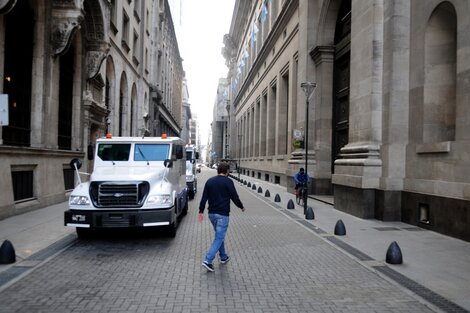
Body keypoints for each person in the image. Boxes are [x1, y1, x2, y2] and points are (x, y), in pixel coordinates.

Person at [198, 162, 245, 272]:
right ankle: (208, 260)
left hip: (212, 215)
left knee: (219, 235)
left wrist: (201, 211)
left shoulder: (209, 181)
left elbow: (204, 197)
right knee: (219, 237)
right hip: (222, 215)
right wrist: (241, 206)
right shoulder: (228, 182)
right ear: (227, 171)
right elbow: (234, 197)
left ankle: (223, 256)